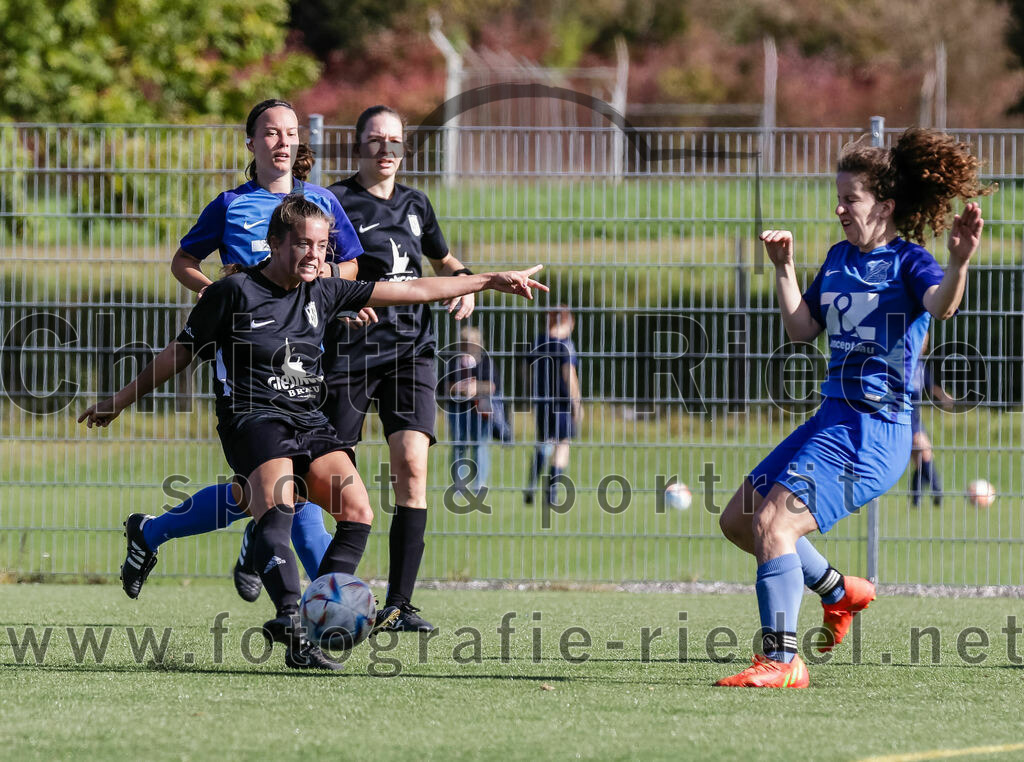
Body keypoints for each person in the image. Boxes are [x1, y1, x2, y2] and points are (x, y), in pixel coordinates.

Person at [80, 195, 547, 670]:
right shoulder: (234, 292)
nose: (315, 255)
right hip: (252, 417)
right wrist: (120, 400)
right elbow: (179, 353)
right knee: (277, 511)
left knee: (358, 510)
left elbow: (413, 289)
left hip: (309, 418)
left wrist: (487, 279)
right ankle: (290, 619)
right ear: (275, 242)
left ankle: (309, 614)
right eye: (304, 244)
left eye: (323, 246)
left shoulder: (323, 291)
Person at [716, 128, 988, 688]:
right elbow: (801, 330)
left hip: (873, 431)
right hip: (831, 418)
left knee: (774, 524)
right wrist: (784, 268)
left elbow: (941, 306)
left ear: (884, 206)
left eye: (850, 199)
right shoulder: (839, 258)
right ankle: (839, 592)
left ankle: (783, 661)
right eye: (838, 198)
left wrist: (959, 263)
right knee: (740, 520)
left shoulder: (909, 261)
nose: (839, 209)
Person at [118, 98, 365, 602]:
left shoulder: (321, 202)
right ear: (251, 143)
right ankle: (331, 604)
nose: (282, 141)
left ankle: (157, 532)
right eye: (271, 132)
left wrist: (328, 286)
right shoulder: (231, 205)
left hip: (307, 360)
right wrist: (215, 292)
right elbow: (184, 261)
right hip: (249, 367)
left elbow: (353, 266)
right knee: (287, 498)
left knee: (265, 493)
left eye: (290, 132)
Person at [315, 104, 481, 632]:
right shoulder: (334, 202)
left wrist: (466, 283)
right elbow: (314, 270)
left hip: (412, 351)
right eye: (375, 140)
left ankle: (399, 605)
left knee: (412, 464)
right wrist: (341, 305)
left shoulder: (416, 203)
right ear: (357, 145)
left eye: (394, 141)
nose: (385, 149)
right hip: (350, 353)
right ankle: (268, 548)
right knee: (325, 477)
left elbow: (443, 261)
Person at [524, 306, 582, 506]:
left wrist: (532, 394)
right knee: (562, 445)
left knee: (544, 441)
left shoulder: (539, 341)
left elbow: (527, 371)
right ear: (568, 321)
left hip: (542, 401)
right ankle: (552, 493)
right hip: (562, 403)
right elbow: (569, 374)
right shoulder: (565, 344)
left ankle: (532, 484)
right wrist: (577, 402)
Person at [445, 325, 510, 494]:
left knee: (480, 446)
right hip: (457, 410)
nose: (469, 345)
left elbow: (493, 386)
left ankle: (479, 485)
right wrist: (460, 388)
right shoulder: (454, 362)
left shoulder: (486, 362)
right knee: (459, 446)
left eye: (472, 341)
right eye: (465, 341)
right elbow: (445, 386)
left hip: (480, 410)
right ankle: (459, 486)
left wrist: (476, 387)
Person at [909, 333, 953, 507]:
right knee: (925, 453)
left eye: (926, 343)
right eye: (921, 341)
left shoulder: (920, 365)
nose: (924, 346)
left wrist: (943, 396)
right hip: (904, 416)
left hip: (916, 417)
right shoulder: (900, 363)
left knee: (921, 459)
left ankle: (916, 500)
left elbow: (930, 386)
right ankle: (937, 492)